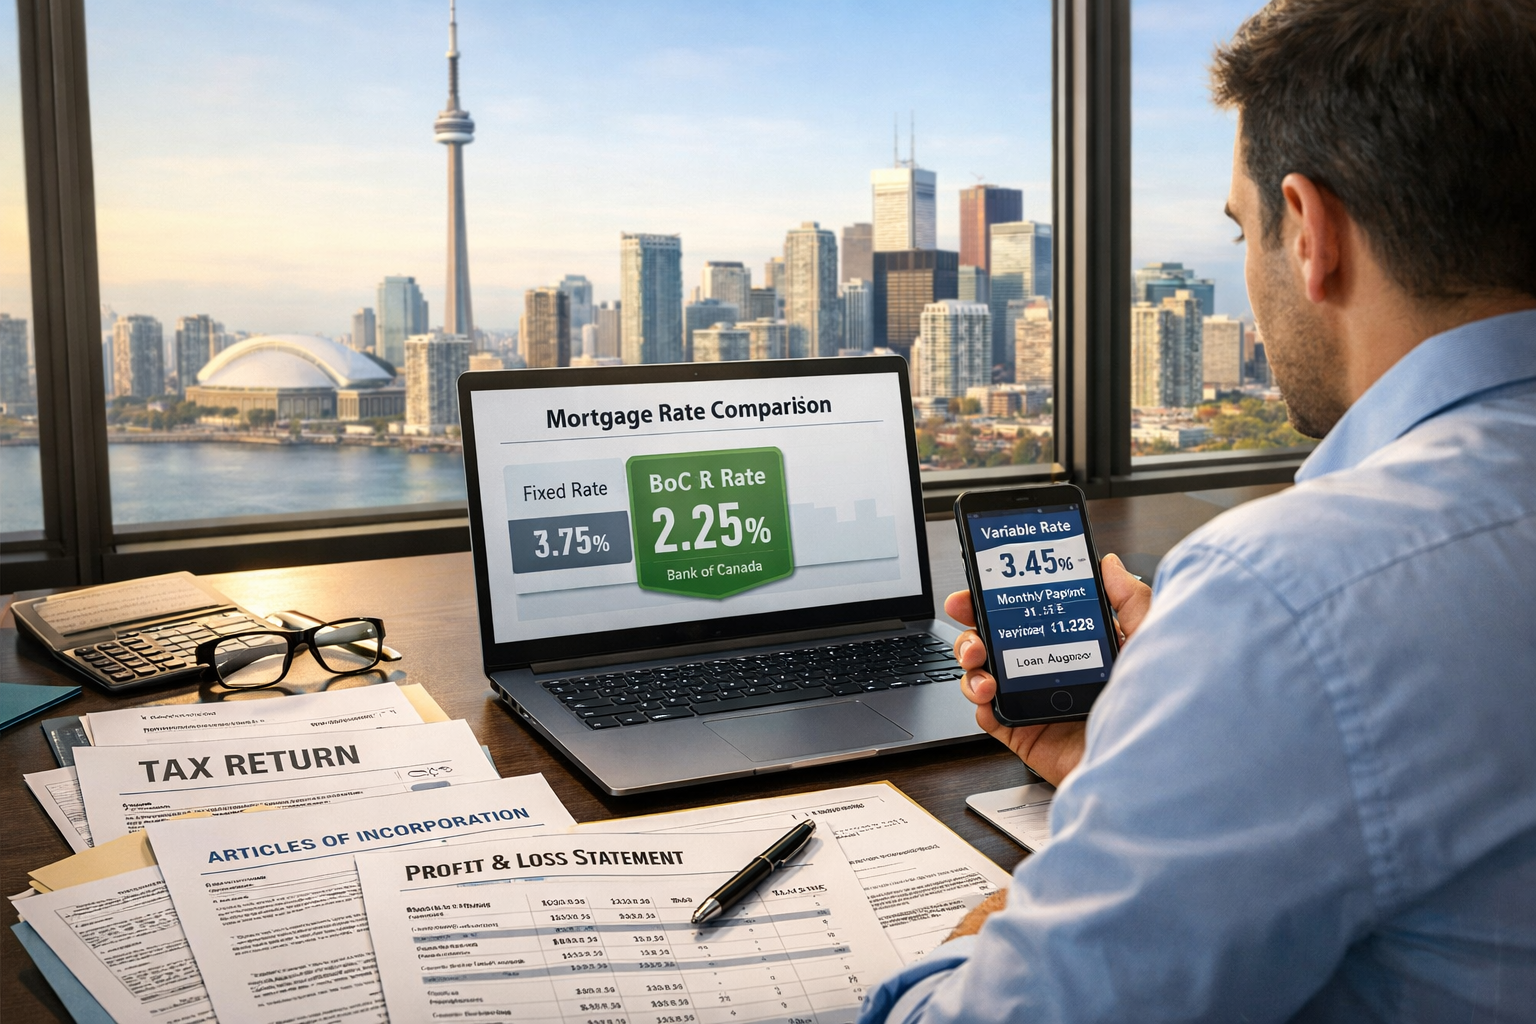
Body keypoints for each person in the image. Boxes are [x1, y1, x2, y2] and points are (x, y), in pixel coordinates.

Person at [859, 0, 1536, 1020]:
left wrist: (983, 935)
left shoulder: (1294, 596)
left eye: (1242, 230)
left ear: (1309, 231)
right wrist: (1158, 761)